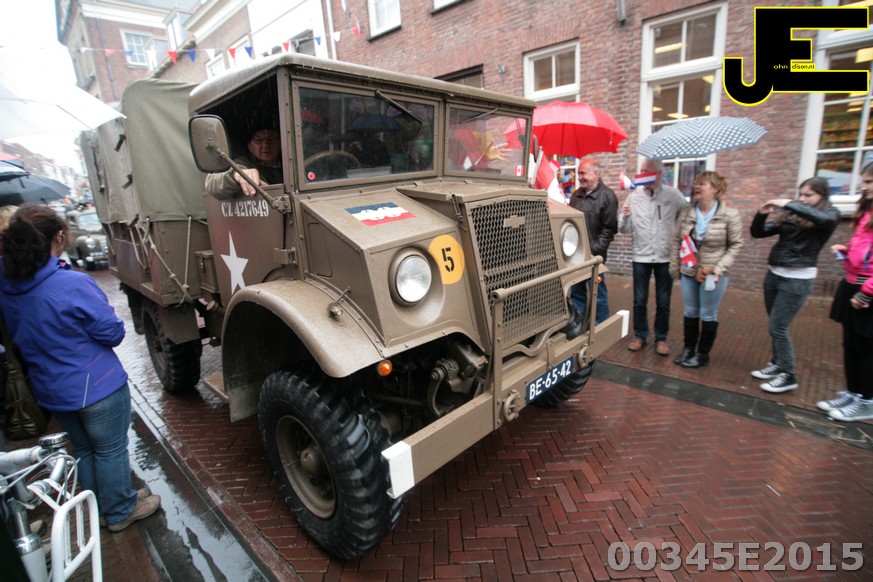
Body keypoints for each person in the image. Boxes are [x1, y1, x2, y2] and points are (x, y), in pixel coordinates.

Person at [0, 204, 160, 532]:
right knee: (111, 450)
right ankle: (120, 510)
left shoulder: (6, 284)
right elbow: (112, 333)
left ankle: (100, 505)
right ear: (58, 237)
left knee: (84, 451)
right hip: (97, 384)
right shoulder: (71, 283)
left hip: (51, 388)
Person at [749, 177, 838, 393]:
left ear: (822, 196)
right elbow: (758, 232)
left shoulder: (830, 214)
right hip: (774, 274)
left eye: (808, 195)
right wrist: (761, 213)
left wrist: (789, 203)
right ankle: (778, 364)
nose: (803, 199)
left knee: (778, 327)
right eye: (801, 195)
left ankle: (789, 375)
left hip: (797, 278)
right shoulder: (793, 215)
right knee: (775, 323)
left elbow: (822, 219)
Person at [817, 162, 873, 421]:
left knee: (866, 348)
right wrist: (848, 250)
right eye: (864, 181)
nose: (863, 187)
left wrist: (866, 293)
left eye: (869, 182)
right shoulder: (867, 212)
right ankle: (854, 393)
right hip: (851, 282)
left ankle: (868, 401)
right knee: (851, 344)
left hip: (866, 289)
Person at [670, 171, 744, 368]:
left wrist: (717, 269)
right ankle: (688, 349)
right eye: (695, 183)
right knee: (690, 311)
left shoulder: (730, 215)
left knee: (708, 314)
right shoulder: (686, 213)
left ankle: (702, 354)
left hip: (714, 274)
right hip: (689, 270)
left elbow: (736, 245)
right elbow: (677, 241)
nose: (696, 186)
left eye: (702, 183)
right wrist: (674, 267)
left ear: (715, 189)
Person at [619, 159, 688, 355]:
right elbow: (623, 229)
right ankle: (640, 335)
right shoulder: (634, 197)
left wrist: (680, 237)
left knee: (663, 301)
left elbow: (686, 216)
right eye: (641, 170)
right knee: (639, 300)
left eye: (647, 170)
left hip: (664, 257)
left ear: (659, 173)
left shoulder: (673, 195)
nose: (642, 174)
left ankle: (661, 338)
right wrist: (625, 216)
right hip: (641, 256)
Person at [568, 158, 618, 325]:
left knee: (598, 294)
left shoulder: (607, 196)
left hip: (594, 257)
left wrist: (594, 250)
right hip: (576, 257)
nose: (579, 177)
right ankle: (578, 326)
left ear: (596, 174)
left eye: (583, 173)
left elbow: (609, 229)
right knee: (577, 293)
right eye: (578, 173)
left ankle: (600, 327)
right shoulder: (576, 195)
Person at [205, 127, 283, 199]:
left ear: (280, 143)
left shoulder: (287, 162)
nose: (266, 144)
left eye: (271, 139)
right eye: (258, 140)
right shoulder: (242, 163)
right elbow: (213, 182)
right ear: (249, 146)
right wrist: (236, 174)